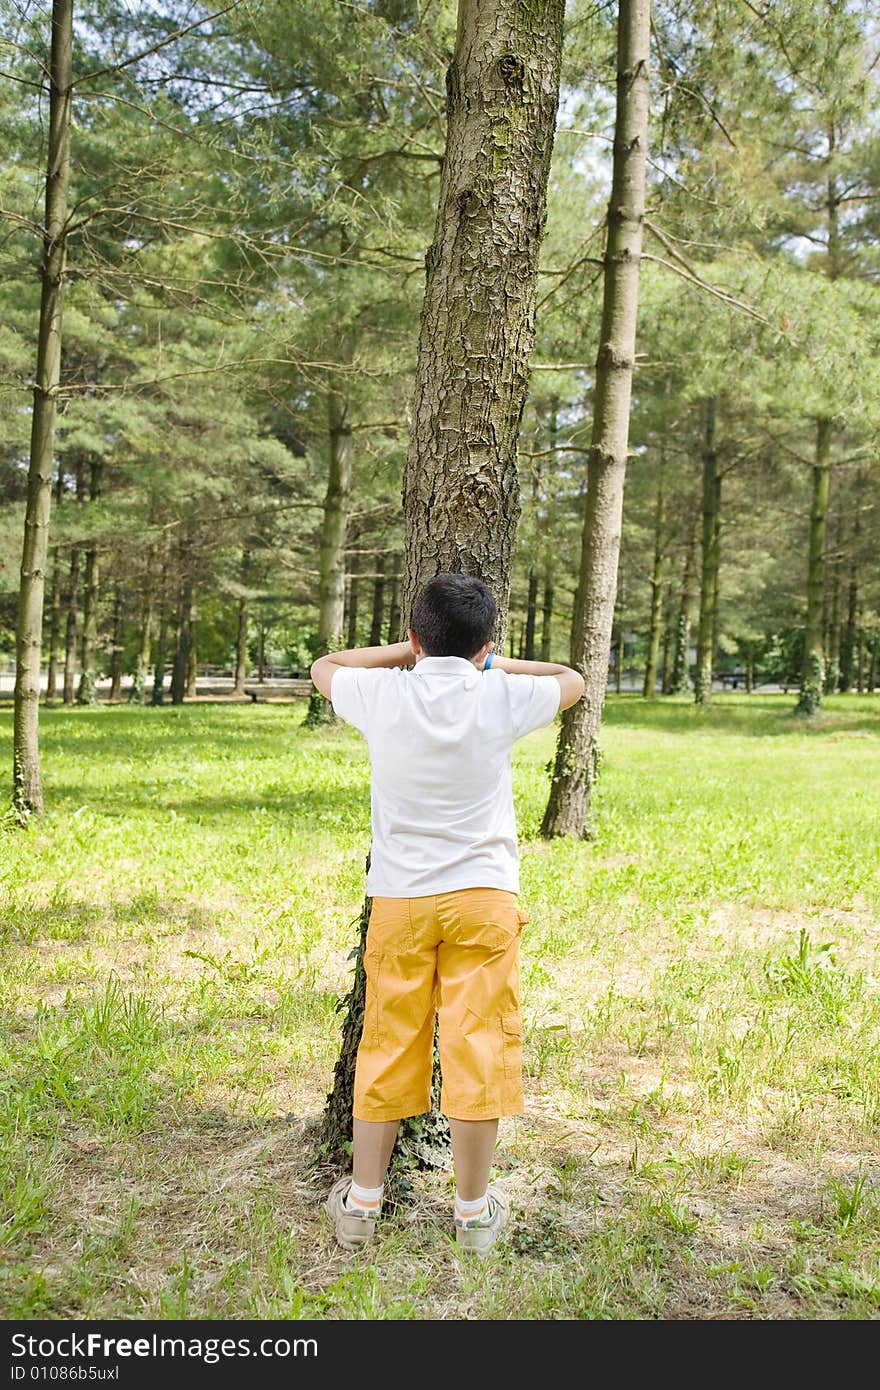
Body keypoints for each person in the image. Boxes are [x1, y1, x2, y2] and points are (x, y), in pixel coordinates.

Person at [309, 573, 585, 1256]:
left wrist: (410, 655)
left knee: (387, 1042)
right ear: (486, 641)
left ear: (413, 636)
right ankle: (471, 1212)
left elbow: (325, 667)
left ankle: (363, 1203)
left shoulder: (382, 691)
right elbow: (571, 677)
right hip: (484, 898)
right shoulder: (500, 693)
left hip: (401, 901)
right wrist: (489, 661)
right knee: (478, 1047)